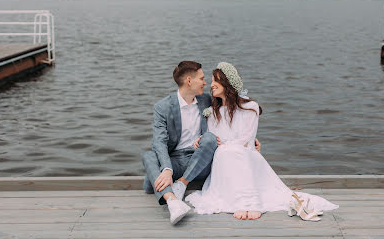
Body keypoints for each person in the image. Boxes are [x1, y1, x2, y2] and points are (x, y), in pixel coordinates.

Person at [185, 62, 339, 221]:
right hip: (223, 157)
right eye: (211, 81)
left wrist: (228, 145)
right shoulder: (213, 112)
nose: (211, 85)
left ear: (227, 82)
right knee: (225, 152)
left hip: (245, 155)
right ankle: (241, 202)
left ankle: (251, 202)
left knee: (233, 151)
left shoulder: (250, 107)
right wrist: (202, 139)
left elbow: (246, 139)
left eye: (215, 81)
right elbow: (213, 139)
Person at [142, 61, 261, 225]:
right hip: (175, 160)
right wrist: (167, 169)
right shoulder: (163, 107)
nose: (206, 83)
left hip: (201, 159)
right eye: (202, 78)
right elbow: (159, 142)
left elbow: (232, 113)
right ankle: (173, 201)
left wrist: (249, 140)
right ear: (189, 81)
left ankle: (181, 184)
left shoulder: (206, 100)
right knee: (148, 157)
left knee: (209, 138)